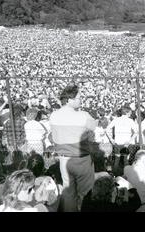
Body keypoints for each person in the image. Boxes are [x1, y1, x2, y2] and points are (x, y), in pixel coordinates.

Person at [49, 84, 97, 212]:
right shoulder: (83, 115)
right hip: (81, 159)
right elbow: (94, 126)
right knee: (86, 193)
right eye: (78, 98)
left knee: (68, 193)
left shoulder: (54, 115)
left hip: (64, 160)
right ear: (69, 100)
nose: (80, 100)